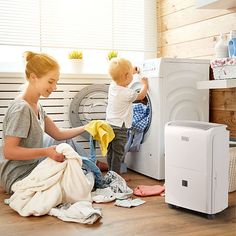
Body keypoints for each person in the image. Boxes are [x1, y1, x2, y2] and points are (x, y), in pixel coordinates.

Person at [0, 51, 86, 194]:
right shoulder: (22, 108)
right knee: (73, 183)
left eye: (56, 82)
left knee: (69, 155)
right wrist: (46, 152)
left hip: (32, 167)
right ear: (33, 77)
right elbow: (9, 152)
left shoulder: (36, 106)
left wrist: (88, 127)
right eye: (50, 81)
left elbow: (58, 134)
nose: (54, 87)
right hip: (18, 176)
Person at [106, 57, 148, 175]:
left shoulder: (113, 85)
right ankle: (116, 177)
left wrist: (132, 71)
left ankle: (111, 174)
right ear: (126, 76)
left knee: (111, 151)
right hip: (120, 128)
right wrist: (144, 84)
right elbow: (141, 96)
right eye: (130, 73)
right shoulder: (128, 93)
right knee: (118, 153)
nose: (132, 75)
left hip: (109, 125)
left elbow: (123, 76)